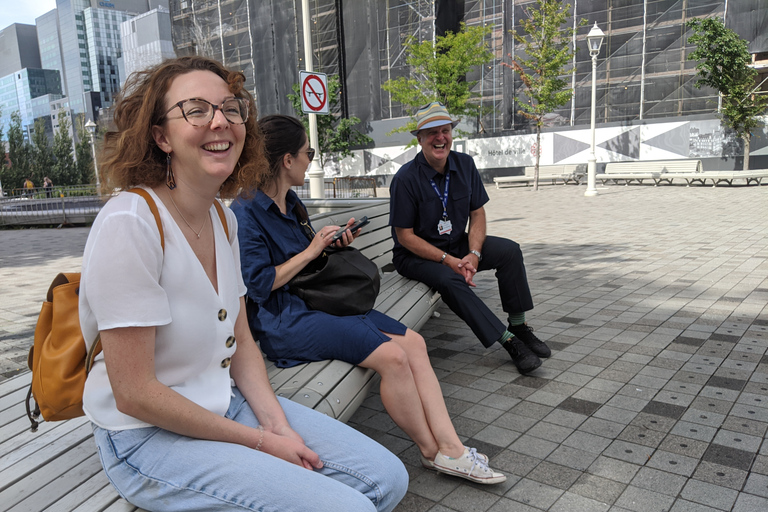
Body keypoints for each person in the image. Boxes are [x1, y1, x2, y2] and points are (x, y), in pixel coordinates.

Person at [79, 56, 408, 512]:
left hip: (223, 404)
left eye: (231, 109)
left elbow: (244, 344)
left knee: (388, 479)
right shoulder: (130, 223)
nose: (220, 121)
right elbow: (134, 393)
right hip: (144, 437)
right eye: (195, 110)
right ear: (161, 136)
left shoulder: (222, 219)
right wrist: (259, 441)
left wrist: (277, 425)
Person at [232, 114, 506, 485]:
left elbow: (308, 263)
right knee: (393, 358)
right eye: (307, 152)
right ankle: (434, 453)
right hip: (286, 320)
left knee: (414, 343)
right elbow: (260, 285)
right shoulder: (245, 212)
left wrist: (330, 244)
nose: (310, 158)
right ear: (287, 160)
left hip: (321, 303)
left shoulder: (290, 202)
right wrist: (313, 251)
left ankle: (451, 446)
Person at [389, 102, 552, 375]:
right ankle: (508, 341)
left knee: (510, 251)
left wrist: (474, 253)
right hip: (414, 255)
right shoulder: (405, 179)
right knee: (449, 278)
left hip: (456, 243)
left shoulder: (465, 164)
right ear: (420, 139)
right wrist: (448, 260)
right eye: (432, 133)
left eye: (445, 130)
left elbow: (477, 213)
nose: (440, 138)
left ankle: (519, 326)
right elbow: (404, 236)